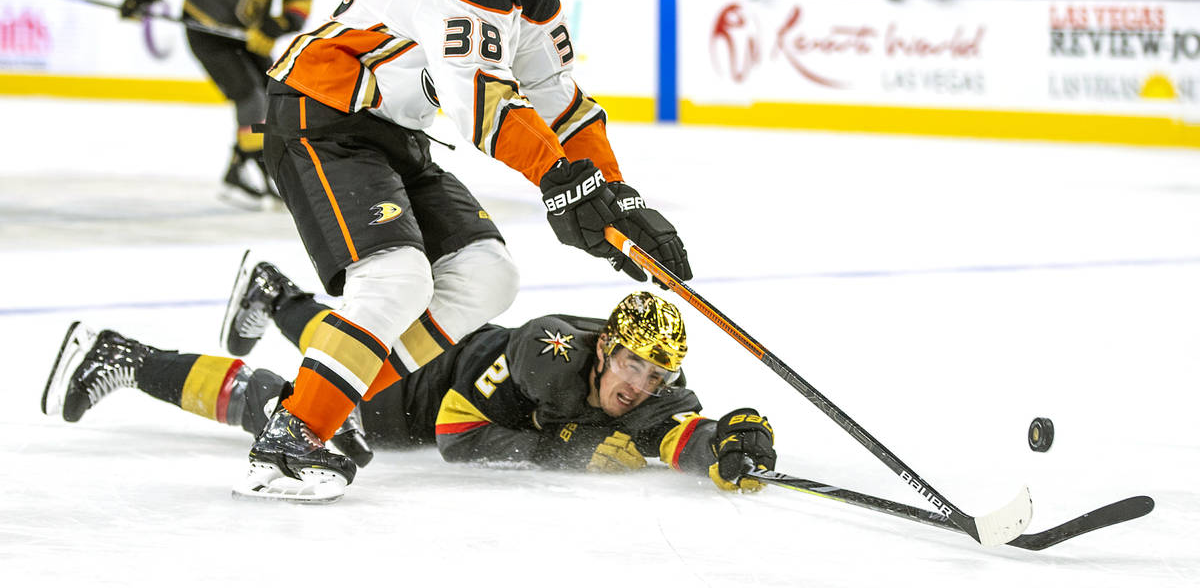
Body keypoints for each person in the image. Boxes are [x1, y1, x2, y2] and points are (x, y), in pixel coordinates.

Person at [238, 0, 692, 499]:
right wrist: (560, 177)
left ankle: (333, 402)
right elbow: (482, 100)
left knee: (487, 276)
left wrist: (615, 193)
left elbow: (560, 99)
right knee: (396, 279)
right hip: (323, 118)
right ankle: (294, 436)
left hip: (393, 132)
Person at [42, 286, 777, 500]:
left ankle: (274, 292)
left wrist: (724, 444)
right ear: (603, 347)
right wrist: (568, 449)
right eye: (628, 364)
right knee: (288, 405)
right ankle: (128, 357)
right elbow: (461, 441)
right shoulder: (548, 353)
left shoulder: (649, 387)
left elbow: (679, 434)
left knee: (339, 342)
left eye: (654, 375)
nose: (636, 385)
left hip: (433, 349)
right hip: (410, 397)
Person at [118, 0, 313, 210]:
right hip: (206, 30)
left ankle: (241, 165)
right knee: (250, 97)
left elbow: (300, 5)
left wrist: (273, 27)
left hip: (246, 35)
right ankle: (254, 162)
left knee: (275, 94)